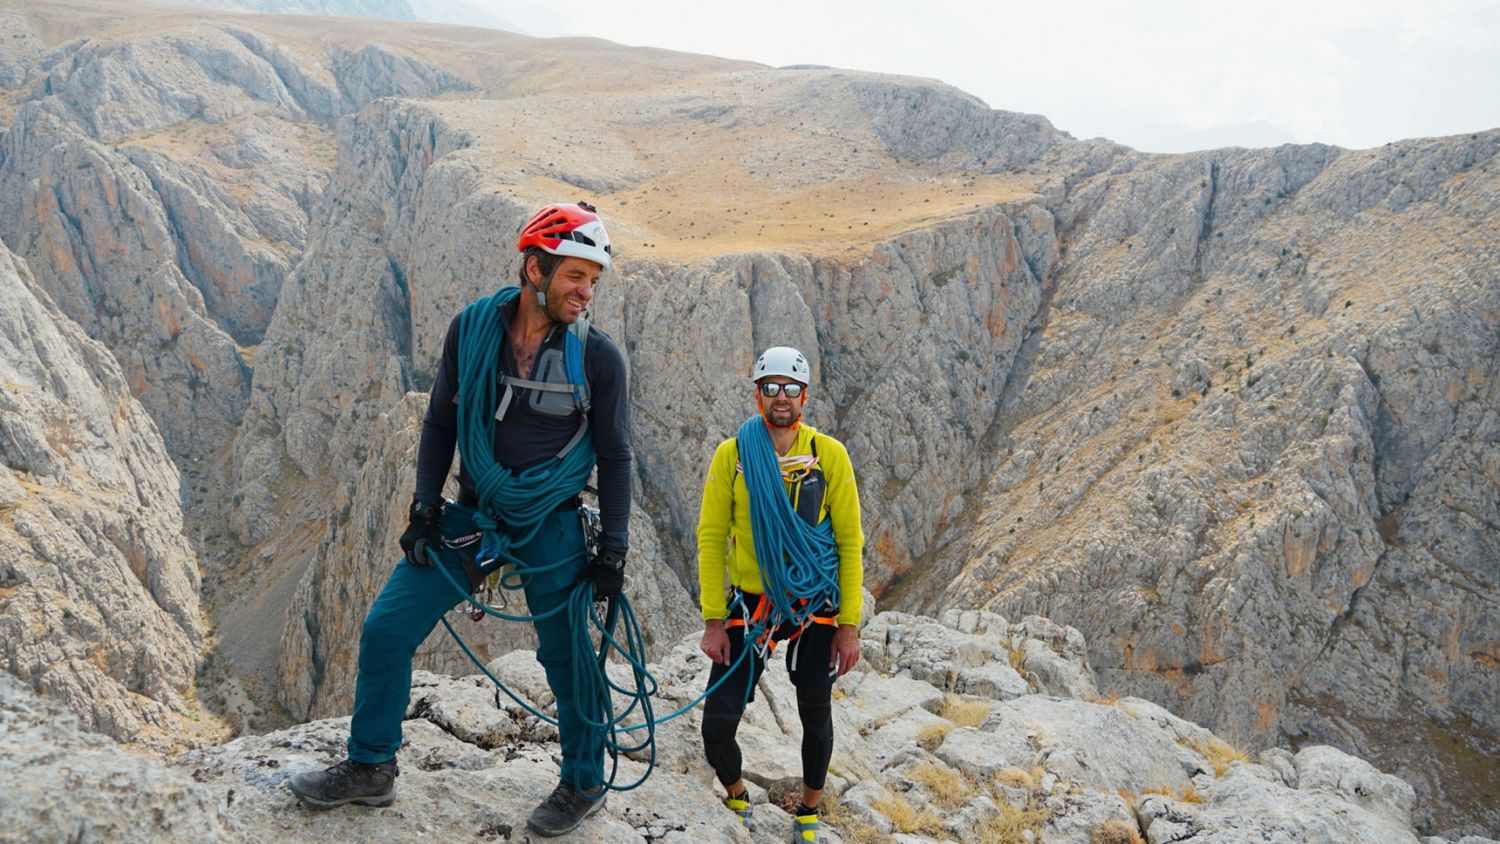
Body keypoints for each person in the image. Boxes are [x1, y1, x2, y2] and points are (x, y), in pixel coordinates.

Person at [289, 201, 633, 838]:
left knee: (568, 660)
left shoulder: (599, 358)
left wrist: (614, 550)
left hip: (552, 522)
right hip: (474, 516)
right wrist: (424, 507)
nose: (586, 293)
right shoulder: (473, 329)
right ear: (536, 267)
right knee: (388, 626)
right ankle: (370, 767)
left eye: (593, 280)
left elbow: (614, 453)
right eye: (575, 277)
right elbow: (442, 420)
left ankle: (584, 781)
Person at [696, 346, 864, 843]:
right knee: (717, 724)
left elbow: (849, 542)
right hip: (753, 604)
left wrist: (849, 625)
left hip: (816, 603)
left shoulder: (828, 455)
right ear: (757, 395)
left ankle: (809, 810)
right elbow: (711, 536)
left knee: (815, 706)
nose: (781, 398)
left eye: (791, 389)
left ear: (805, 397)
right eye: (771, 388)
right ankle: (737, 793)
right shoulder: (733, 455)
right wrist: (712, 620)